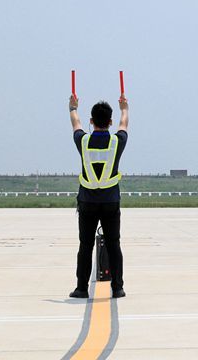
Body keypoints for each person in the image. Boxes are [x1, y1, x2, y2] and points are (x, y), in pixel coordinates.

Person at [68, 93, 129, 299]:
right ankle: (117, 287)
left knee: (85, 246)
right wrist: (124, 108)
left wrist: (73, 108)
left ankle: (81, 288)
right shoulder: (117, 142)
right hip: (111, 201)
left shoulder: (83, 141)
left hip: (87, 201)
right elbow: (124, 124)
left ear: (91, 121)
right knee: (114, 244)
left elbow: (76, 123)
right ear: (110, 122)